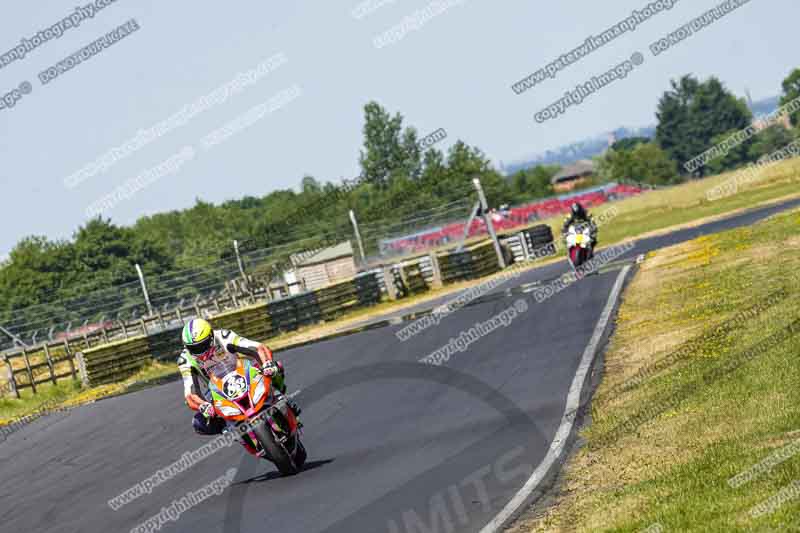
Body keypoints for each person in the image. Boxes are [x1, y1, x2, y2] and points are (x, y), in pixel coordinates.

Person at [178, 318, 302, 439]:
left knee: (274, 368)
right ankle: (228, 428)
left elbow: (256, 347)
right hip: (215, 388)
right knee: (199, 422)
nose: (200, 352)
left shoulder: (223, 336)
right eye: (193, 348)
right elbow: (190, 391)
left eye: (203, 345)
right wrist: (202, 405)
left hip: (242, 371)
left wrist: (267, 364)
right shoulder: (185, 359)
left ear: (211, 336)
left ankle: (281, 396)